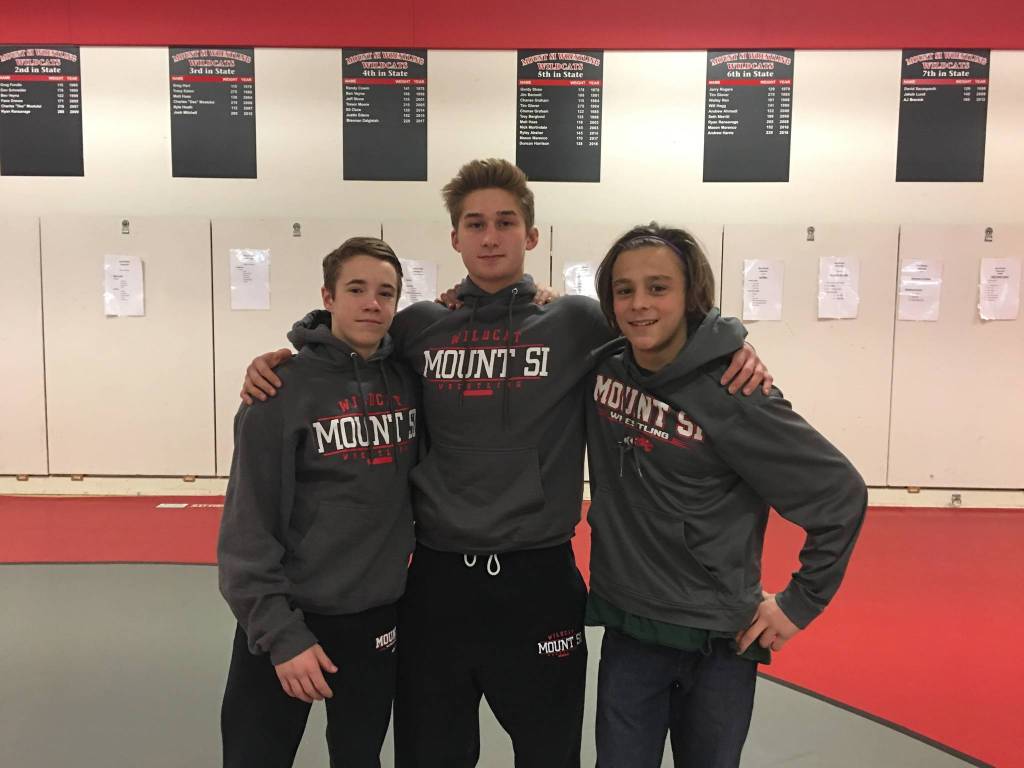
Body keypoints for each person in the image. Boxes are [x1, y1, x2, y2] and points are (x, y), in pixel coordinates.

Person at [240, 159, 771, 768]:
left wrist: (733, 339)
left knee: (548, 753)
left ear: (532, 235)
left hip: (538, 579)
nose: (490, 236)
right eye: (475, 224)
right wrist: (288, 354)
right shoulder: (419, 325)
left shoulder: (576, 321)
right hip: (439, 583)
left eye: (505, 222)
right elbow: (348, 349)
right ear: (455, 239)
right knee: (433, 752)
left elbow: (659, 323)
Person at [585, 224, 867, 767]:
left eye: (658, 287)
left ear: (691, 296)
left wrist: (799, 604)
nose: (639, 303)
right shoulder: (603, 365)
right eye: (625, 290)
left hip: (717, 642)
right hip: (630, 628)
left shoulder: (735, 391)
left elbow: (841, 496)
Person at [217, 237, 419, 768]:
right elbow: (246, 531)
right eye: (356, 289)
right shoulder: (278, 393)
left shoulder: (408, 381)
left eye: (386, 293)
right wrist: (280, 635)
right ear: (327, 296)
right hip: (291, 620)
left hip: (375, 620)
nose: (372, 303)